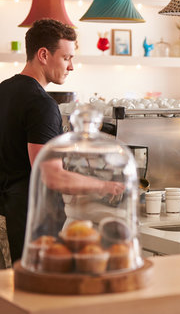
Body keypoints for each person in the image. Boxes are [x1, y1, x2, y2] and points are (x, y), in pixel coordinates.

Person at [0, 19, 121, 264]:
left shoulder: (3, 90)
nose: (72, 67)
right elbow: (50, 175)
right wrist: (105, 186)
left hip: (4, 216)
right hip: (25, 225)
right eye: (67, 58)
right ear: (43, 54)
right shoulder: (41, 104)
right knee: (31, 298)